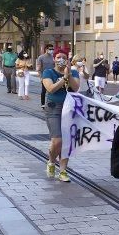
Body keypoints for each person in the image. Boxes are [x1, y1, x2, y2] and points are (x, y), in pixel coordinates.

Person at [42, 51, 80, 182]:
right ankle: (51, 161)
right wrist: (63, 78)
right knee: (57, 140)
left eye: (64, 58)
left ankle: (63, 171)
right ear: (54, 59)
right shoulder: (48, 72)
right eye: (58, 57)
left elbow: (75, 88)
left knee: (67, 141)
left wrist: (68, 75)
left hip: (69, 108)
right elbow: (50, 89)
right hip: (53, 108)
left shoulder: (72, 72)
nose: (61, 60)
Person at [37, 44, 55, 109]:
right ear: (46, 49)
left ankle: (51, 103)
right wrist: (41, 77)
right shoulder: (41, 57)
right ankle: (43, 104)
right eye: (50, 49)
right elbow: (38, 69)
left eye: (52, 49)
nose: (52, 50)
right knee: (44, 90)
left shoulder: (54, 57)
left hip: (53, 75)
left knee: (52, 90)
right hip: (45, 76)